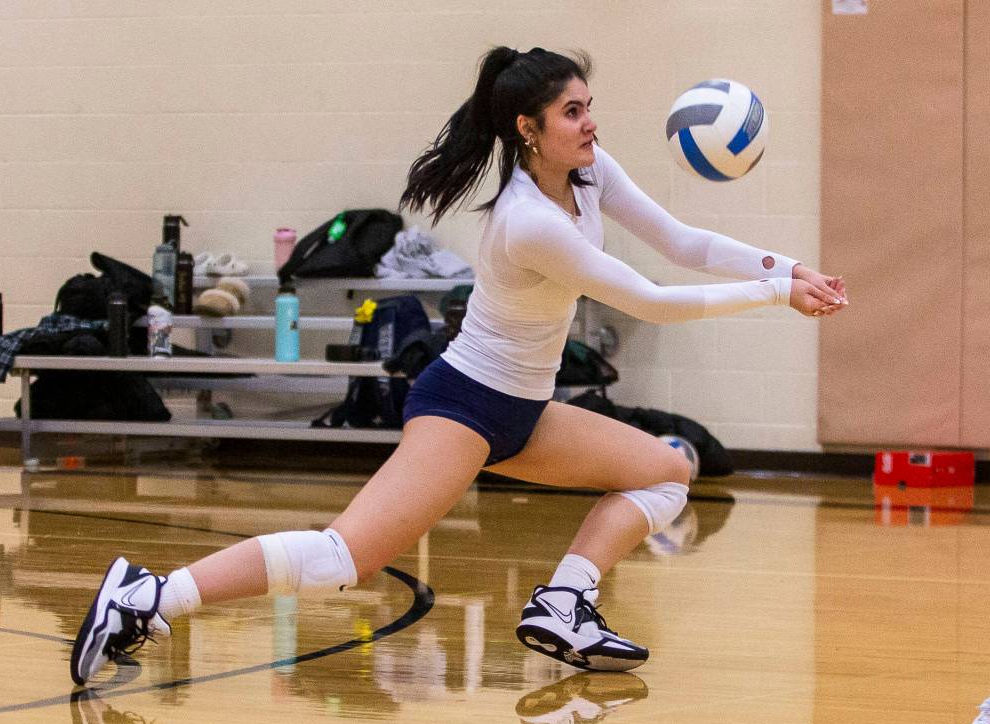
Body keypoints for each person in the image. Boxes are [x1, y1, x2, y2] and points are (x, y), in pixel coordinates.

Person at [70, 46, 848, 684]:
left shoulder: (589, 172)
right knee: (345, 558)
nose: (590, 122)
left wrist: (789, 268)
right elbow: (650, 299)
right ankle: (151, 595)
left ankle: (564, 605)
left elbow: (681, 241)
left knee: (665, 473)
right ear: (527, 128)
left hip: (524, 411)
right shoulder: (527, 221)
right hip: (465, 406)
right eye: (572, 112)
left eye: (588, 106)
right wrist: (774, 294)